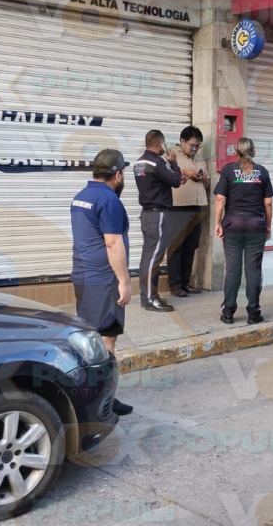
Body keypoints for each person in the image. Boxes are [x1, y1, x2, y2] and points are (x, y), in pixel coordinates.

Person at [70, 148, 133, 416]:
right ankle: (102, 404)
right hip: (104, 280)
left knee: (89, 339)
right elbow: (112, 241)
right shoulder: (109, 201)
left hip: (83, 276)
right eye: (123, 174)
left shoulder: (80, 196)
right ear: (117, 174)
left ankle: (87, 398)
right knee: (106, 343)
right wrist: (124, 280)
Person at [213, 137, 273, 325]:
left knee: (232, 269)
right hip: (256, 225)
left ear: (236, 152)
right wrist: (268, 225)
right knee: (253, 269)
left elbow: (220, 199)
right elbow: (268, 202)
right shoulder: (262, 172)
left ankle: (229, 312)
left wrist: (217, 223)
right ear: (253, 151)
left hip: (233, 225)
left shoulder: (229, 171)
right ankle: (254, 313)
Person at [134, 130, 181, 312]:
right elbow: (175, 181)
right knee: (154, 258)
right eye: (163, 144)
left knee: (147, 256)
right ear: (159, 142)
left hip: (147, 214)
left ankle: (147, 296)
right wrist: (174, 163)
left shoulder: (139, 162)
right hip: (158, 214)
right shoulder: (157, 162)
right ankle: (150, 298)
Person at [167, 126, 211, 297]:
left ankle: (186, 283)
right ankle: (175, 285)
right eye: (192, 145)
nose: (195, 149)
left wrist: (204, 178)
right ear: (182, 141)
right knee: (176, 247)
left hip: (197, 206)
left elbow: (207, 185)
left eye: (198, 146)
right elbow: (166, 174)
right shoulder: (171, 155)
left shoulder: (200, 159)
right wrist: (187, 172)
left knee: (190, 247)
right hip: (178, 206)